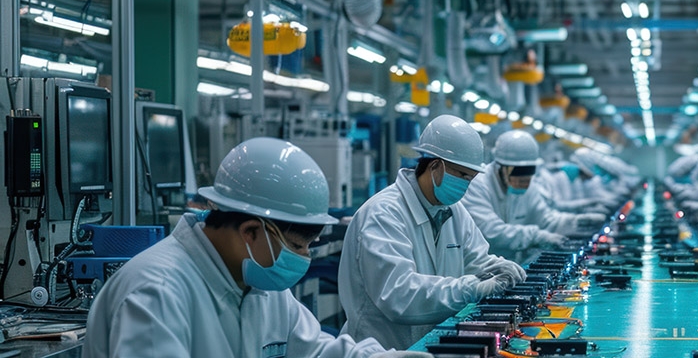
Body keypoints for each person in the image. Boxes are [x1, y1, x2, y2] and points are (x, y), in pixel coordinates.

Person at [84, 138, 425, 357]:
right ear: (250, 231)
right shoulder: (156, 293)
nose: (303, 258)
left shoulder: (258, 284)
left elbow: (316, 350)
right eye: (296, 245)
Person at [339, 115, 526, 350]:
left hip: (431, 344)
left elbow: (477, 261)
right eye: (462, 175)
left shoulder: (454, 211)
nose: (466, 185)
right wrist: (473, 288)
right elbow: (399, 295)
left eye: (471, 178)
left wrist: (500, 269)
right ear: (436, 166)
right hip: (382, 349)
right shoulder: (383, 214)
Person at [461, 130, 608, 263]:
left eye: (528, 171)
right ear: (500, 167)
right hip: (480, 269)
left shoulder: (528, 186)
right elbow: (491, 231)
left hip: (511, 267)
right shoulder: (478, 185)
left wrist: (577, 222)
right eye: (518, 172)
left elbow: (546, 219)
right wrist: (537, 236)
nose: (524, 180)